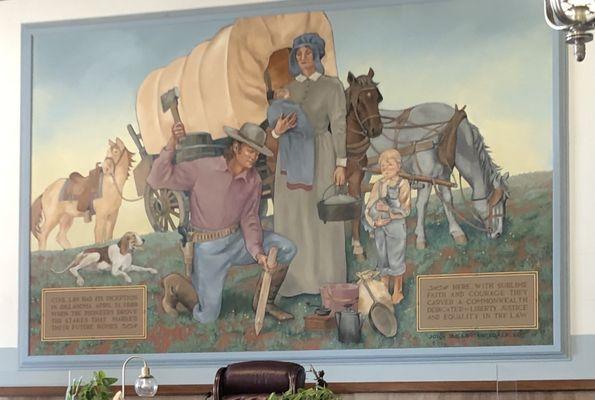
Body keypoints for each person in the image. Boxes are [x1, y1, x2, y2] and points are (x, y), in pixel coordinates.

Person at [146, 122, 297, 323]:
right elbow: (156, 179)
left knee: (287, 248)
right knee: (207, 317)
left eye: (257, 154)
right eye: (250, 151)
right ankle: (174, 284)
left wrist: (258, 252)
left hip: (238, 241)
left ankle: (265, 302)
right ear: (236, 147)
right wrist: (171, 144)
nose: (253, 157)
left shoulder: (253, 180)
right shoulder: (204, 167)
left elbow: (250, 218)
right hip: (210, 249)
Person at [269, 32, 348, 297]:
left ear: (317, 55)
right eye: (299, 54)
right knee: (295, 216)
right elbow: (276, 125)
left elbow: (338, 123)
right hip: (291, 157)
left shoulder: (332, 85)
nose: (303, 58)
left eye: (308, 53)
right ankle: (295, 282)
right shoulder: (289, 88)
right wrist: (277, 131)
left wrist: (341, 162)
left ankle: (327, 280)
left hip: (321, 153)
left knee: (319, 217)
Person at [364, 149, 411, 304]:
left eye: (389, 165)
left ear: (398, 166)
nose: (386, 169)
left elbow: (406, 210)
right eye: (383, 167)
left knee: (396, 258)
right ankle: (384, 288)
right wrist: (374, 222)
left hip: (396, 229)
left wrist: (389, 211)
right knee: (382, 258)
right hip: (380, 228)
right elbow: (368, 206)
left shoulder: (403, 184)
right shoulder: (378, 184)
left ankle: (398, 290)